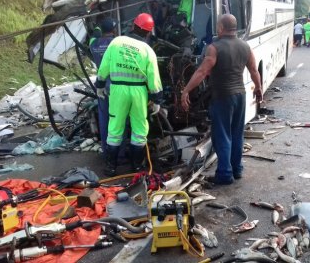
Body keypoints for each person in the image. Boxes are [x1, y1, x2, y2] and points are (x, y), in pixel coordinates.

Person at [180, 14, 262, 185]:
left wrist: (186, 90)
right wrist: (259, 88)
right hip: (241, 95)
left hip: (223, 97)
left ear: (221, 28)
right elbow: (254, 70)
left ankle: (225, 174)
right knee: (236, 134)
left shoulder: (214, 48)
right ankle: (236, 169)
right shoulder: (245, 46)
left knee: (222, 135)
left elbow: (202, 72)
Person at [95, 13, 163, 176]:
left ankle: (111, 167)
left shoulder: (116, 42)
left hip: (118, 90)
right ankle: (137, 167)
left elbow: (104, 66)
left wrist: (100, 84)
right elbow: (154, 79)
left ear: (133, 26)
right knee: (139, 128)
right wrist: (157, 99)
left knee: (115, 126)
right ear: (148, 33)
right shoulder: (148, 50)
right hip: (139, 92)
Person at [89, 18, 116, 157]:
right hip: (116, 87)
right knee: (118, 121)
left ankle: (106, 151)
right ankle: (120, 154)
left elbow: (93, 37)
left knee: (104, 120)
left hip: (101, 86)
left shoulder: (94, 44)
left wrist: (97, 29)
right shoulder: (116, 44)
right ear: (114, 30)